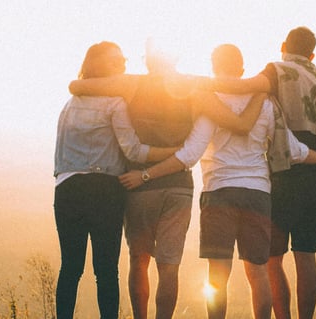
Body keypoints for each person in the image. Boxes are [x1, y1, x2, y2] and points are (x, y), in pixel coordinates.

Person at [119, 44, 316, 319]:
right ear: (242, 68)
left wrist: (146, 174)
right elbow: (292, 149)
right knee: (258, 271)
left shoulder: (211, 101)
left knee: (217, 274)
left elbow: (190, 155)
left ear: (214, 67)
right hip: (258, 193)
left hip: (219, 193)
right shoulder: (266, 102)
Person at [69, 40, 265, 319]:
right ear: (175, 58)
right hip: (178, 187)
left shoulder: (131, 84)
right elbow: (240, 121)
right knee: (169, 266)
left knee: (139, 260)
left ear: (148, 59)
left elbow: (77, 87)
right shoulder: (195, 87)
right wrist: (263, 85)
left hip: (138, 186)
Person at [208, 27, 316, 319]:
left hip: (286, 174)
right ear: (312, 53)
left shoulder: (277, 71)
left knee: (271, 259)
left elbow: (244, 88)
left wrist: (195, 85)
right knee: (307, 254)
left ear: (284, 46)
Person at [53, 41, 177, 319]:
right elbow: (133, 150)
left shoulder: (69, 104)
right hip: (104, 190)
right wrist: (174, 152)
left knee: (70, 267)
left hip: (67, 189)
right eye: (116, 61)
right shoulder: (115, 103)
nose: (122, 65)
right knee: (106, 269)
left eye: (123, 60)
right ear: (98, 65)